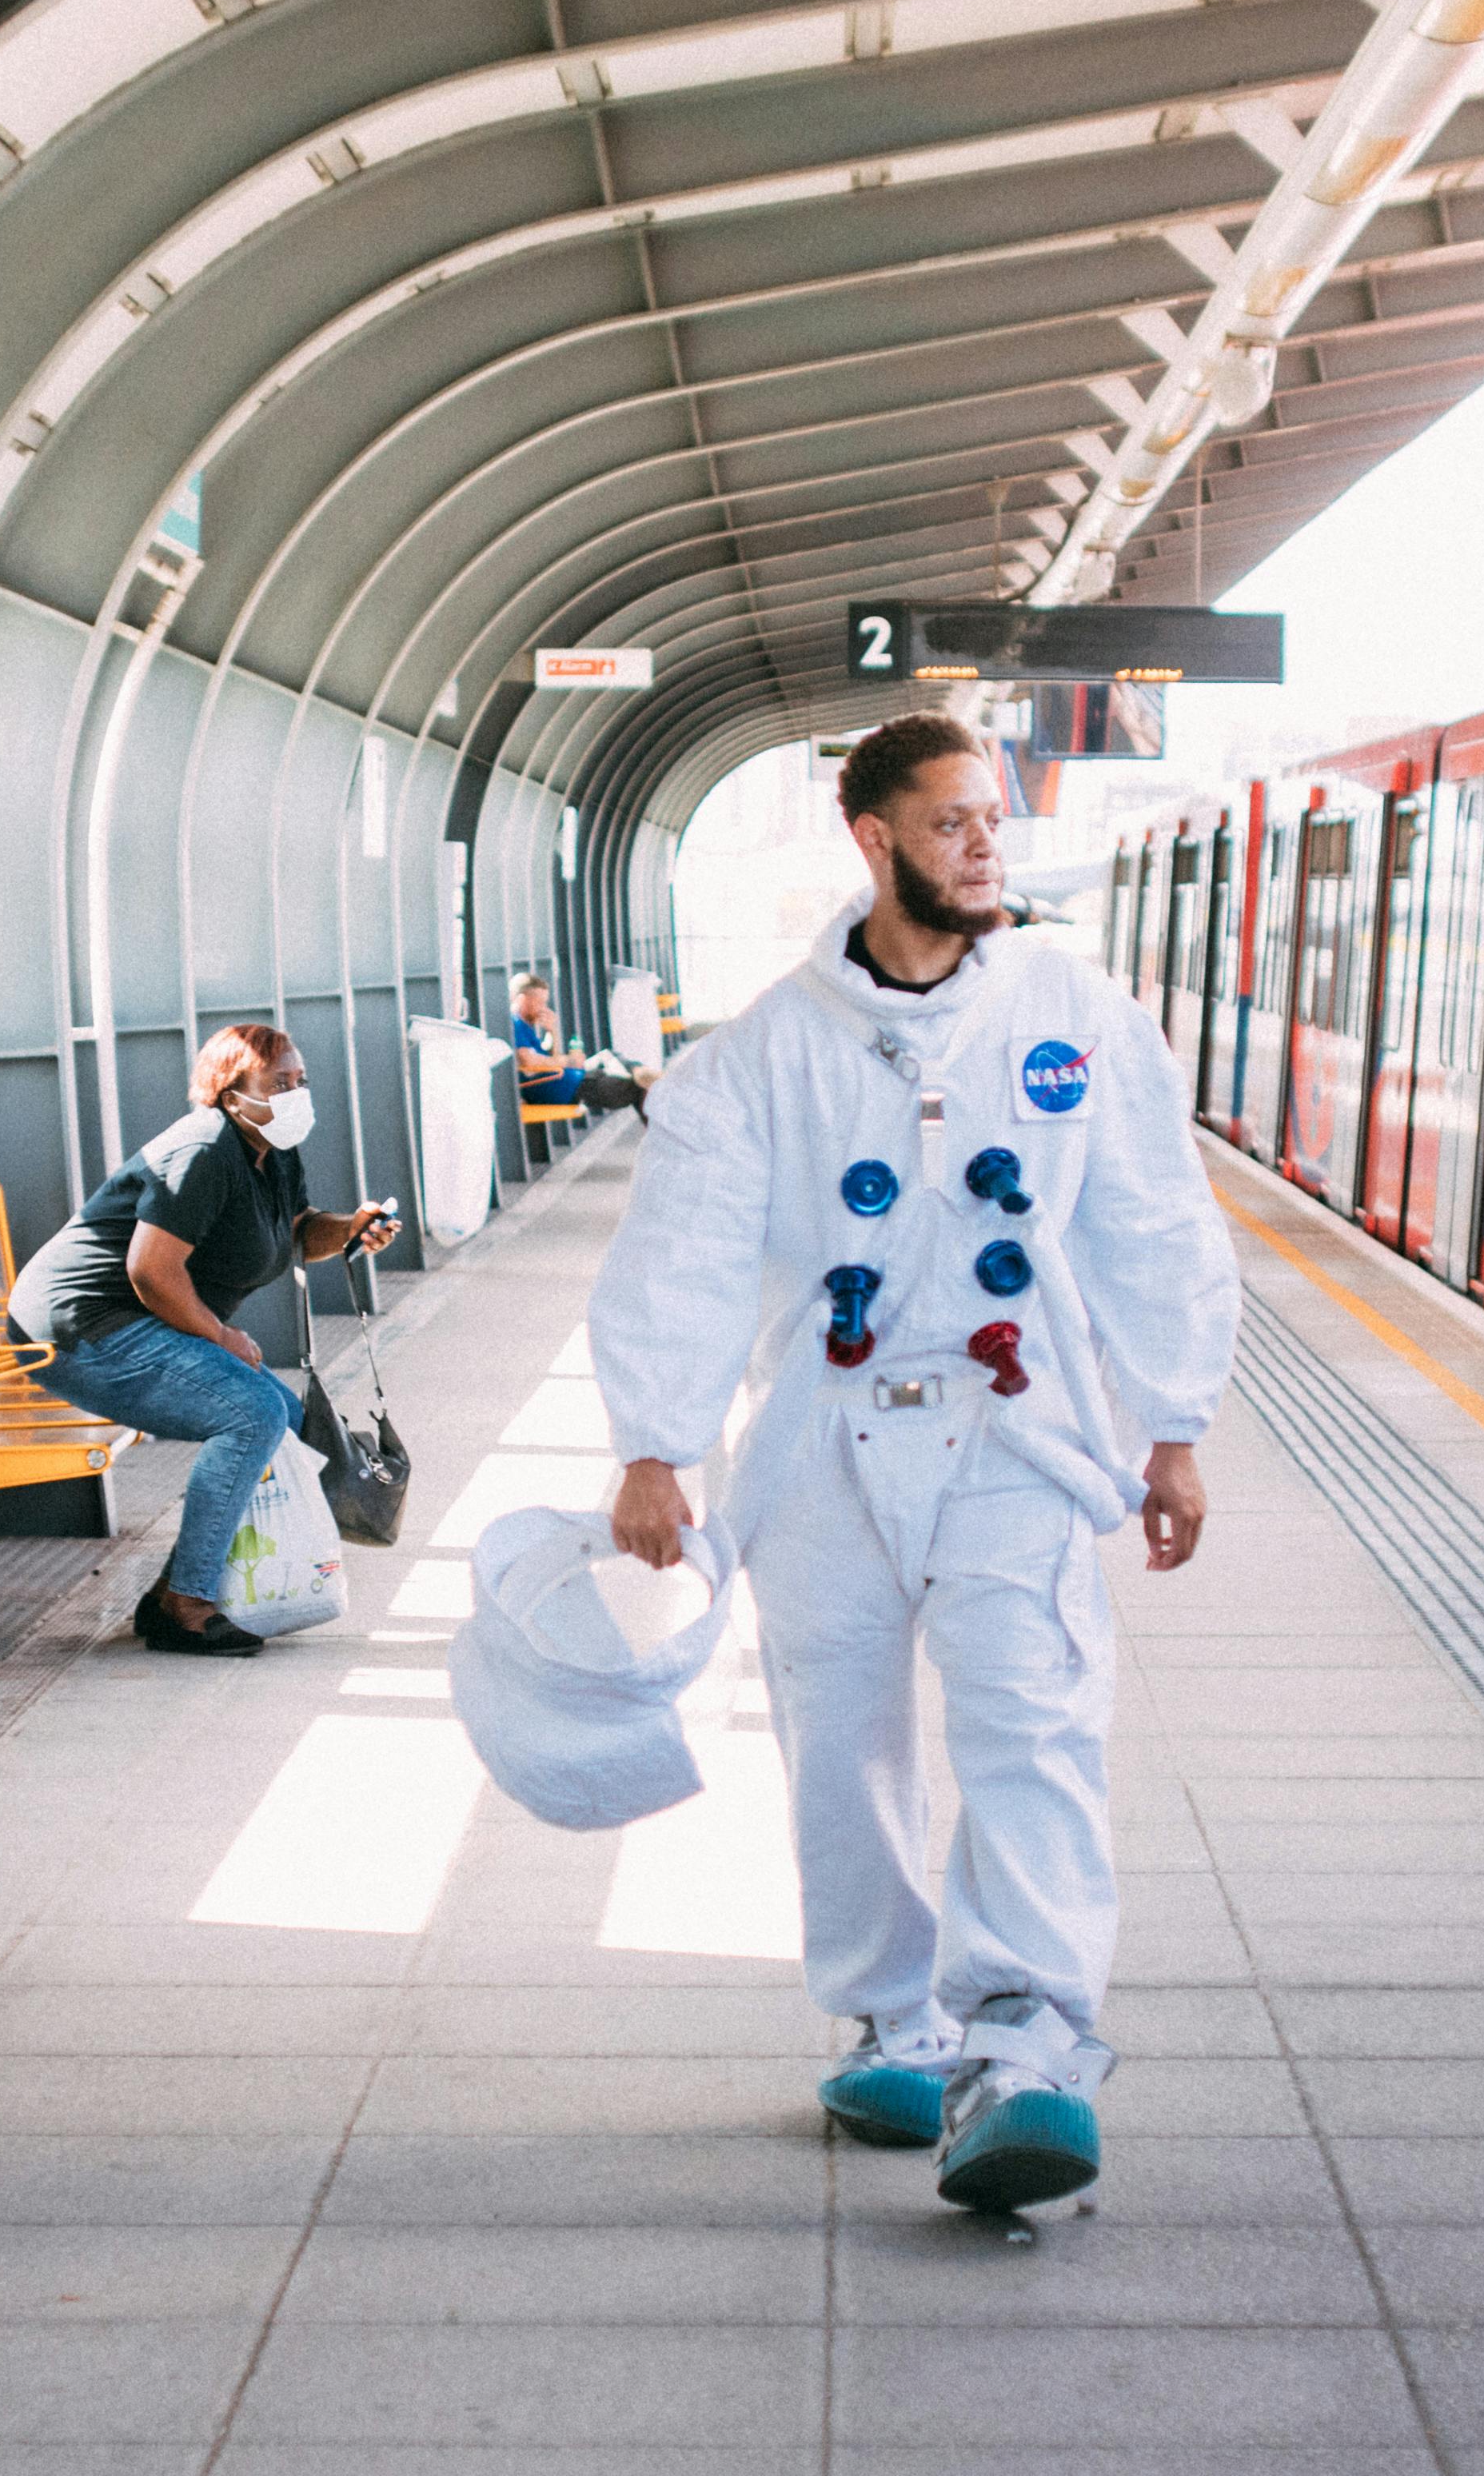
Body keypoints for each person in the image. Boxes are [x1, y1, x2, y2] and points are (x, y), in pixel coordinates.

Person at [588, 713, 1234, 2212]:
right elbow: (679, 1256)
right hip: (827, 1440)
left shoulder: (1074, 1022)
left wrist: (1175, 1426)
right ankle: (894, 2016)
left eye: (990, 819)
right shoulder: (763, 1055)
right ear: (871, 840)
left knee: (1032, 1725)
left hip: (1020, 1438)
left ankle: (1028, 2044)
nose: (984, 846)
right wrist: (655, 1447)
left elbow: (1152, 1220)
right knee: (840, 1737)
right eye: (951, 823)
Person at [16, 1024, 401, 1657]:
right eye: (279, 1084)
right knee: (251, 1415)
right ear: (230, 1094)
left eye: (300, 1083)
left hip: (131, 1320)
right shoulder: (203, 1152)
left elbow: (299, 1232)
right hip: (80, 1326)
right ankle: (187, 1606)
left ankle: (172, 1591)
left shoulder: (271, 1149)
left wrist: (352, 1231)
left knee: (282, 1414)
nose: (296, 1095)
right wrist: (220, 1335)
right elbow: (150, 1270)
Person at [506, 971, 648, 1118]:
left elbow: (549, 1058)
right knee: (639, 1087)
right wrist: (569, 1061)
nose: (544, 1008)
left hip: (570, 1081)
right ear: (522, 1000)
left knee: (613, 1057)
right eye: (540, 1002)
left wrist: (552, 1031)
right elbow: (529, 1062)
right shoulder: (515, 1024)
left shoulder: (525, 1026)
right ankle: (650, 1076)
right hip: (566, 1088)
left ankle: (644, 1073)